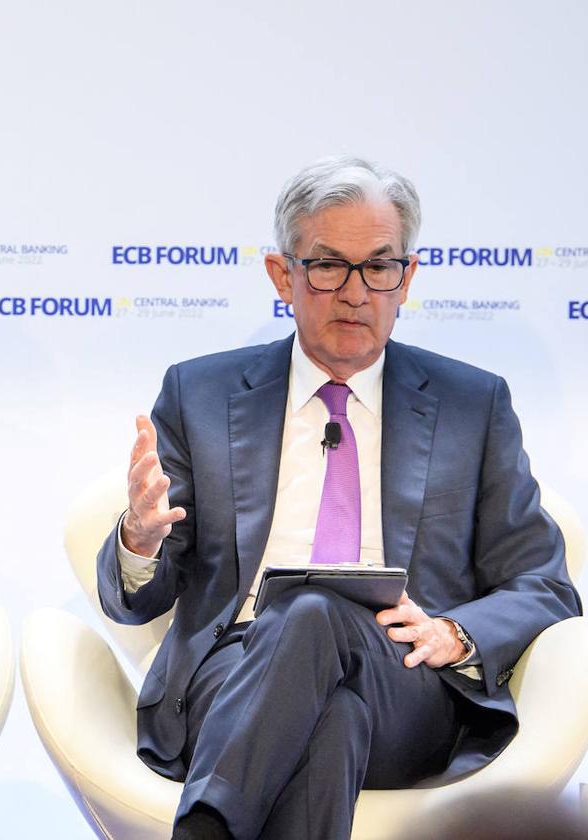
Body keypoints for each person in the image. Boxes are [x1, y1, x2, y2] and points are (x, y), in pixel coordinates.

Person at [96, 155, 581, 839]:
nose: (356, 292)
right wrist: (140, 541)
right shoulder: (199, 394)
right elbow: (135, 598)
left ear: (406, 279)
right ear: (281, 275)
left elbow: (545, 586)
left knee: (317, 615)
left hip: (406, 681)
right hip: (234, 673)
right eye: (327, 265)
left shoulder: (473, 405)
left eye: (379, 267)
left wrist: (454, 633)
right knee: (331, 720)